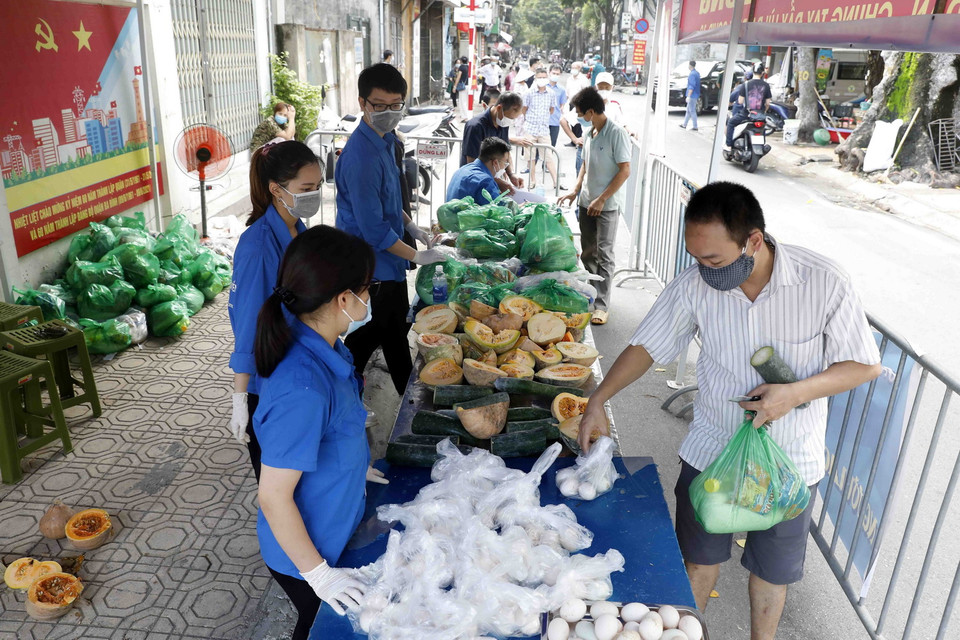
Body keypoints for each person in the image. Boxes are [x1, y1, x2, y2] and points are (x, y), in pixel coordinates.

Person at [576, 181, 883, 640]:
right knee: (697, 563)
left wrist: (794, 393)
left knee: (772, 575)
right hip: (712, 453)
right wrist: (598, 399)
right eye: (695, 258)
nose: (702, 269)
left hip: (789, 464)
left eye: (713, 260)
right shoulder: (695, 285)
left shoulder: (823, 282)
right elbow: (646, 346)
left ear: (753, 241)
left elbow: (863, 365)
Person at [253, 225, 390, 640]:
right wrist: (320, 576)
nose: (370, 299)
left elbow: (332, 428)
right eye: (369, 288)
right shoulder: (303, 388)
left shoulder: (325, 344)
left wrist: (352, 463)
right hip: (310, 553)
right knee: (320, 628)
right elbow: (273, 496)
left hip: (336, 521)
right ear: (344, 299)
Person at [334, 64, 444, 394]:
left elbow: (389, 201)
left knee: (390, 335)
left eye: (396, 105)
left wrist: (414, 227)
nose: (388, 113)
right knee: (377, 336)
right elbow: (374, 230)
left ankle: (405, 398)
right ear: (362, 103)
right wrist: (419, 255)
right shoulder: (362, 157)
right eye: (379, 105)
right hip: (373, 270)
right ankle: (341, 394)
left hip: (389, 265)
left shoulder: (385, 141)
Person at [229, 140, 321, 480]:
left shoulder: (297, 229)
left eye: (318, 187)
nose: (314, 195)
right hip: (266, 381)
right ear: (276, 189)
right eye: (306, 188)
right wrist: (240, 399)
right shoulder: (257, 245)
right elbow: (248, 326)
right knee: (276, 487)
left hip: (295, 370)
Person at [559, 87, 630, 326]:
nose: (578, 117)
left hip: (607, 205)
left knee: (605, 254)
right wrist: (575, 189)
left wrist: (602, 199)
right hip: (586, 201)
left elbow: (625, 170)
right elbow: (585, 165)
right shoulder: (589, 134)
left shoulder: (617, 134)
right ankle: (591, 295)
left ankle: (602, 305)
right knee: (588, 251)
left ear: (591, 111)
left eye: (580, 113)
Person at [460, 91, 525, 195]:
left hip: (492, 183)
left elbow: (505, 153)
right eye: (510, 118)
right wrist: (497, 182)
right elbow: (471, 162)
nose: (510, 121)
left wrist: (511, 174)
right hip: (473, 183)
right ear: (499, 108)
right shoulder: (475, 126)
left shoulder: (503, 123)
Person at [522, 68, 559, 191]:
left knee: (548, 156)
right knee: (531, 157)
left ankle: (555, 181)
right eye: (540, 77)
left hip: (544, 129)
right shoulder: (529, 92)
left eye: (544, 77)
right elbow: (524, 109)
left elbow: (551, 109)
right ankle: (532, 180)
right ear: (535, 78)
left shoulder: (551, 93)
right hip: (530, 128)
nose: (542, 79)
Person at [446, 137, 511, 204]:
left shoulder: (462, 170)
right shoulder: (485, 182)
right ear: (495, 163)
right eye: (505, 162)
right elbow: (498, 210)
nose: (504, 167)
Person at [726, 68, 772, 148]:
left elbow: (740, 101)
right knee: (762, 127)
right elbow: (768, 103)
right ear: (762, 73)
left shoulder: (746, 84)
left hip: (746, 114)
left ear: (753, 72)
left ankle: (729, 144)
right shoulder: (766, 85)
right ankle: (762, 145)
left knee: (731, 123)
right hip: (760, 114)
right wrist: (763, 111)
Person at [546, 64, 568, 149]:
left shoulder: (561, 90)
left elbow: (561, 105)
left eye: (557, 74)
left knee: (551, 146)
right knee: (539, 148)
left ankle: (546, 163)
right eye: (554, 73)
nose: (555, 75)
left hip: (555, 121)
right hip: (542, 121)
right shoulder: (543, 86)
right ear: (549, 73)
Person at [681, 61, 701, 131]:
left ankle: (695, 126)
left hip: (692, 95)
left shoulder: (692, 74)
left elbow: (691, 86)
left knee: (692, 110)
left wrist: (688, 96)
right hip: (695, 94)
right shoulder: (697, 73)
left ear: (690, 65)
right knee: (689, 111)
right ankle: (684, 124)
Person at [453, 56, 472, 121]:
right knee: (467, 101)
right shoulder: (469, 67)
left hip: (462, 87)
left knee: (462, 102)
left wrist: (455, 86)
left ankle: (465, 117)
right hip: (469, 86)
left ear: (461, 61)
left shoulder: (461, 67)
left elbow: (458, 77)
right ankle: (468, 115)